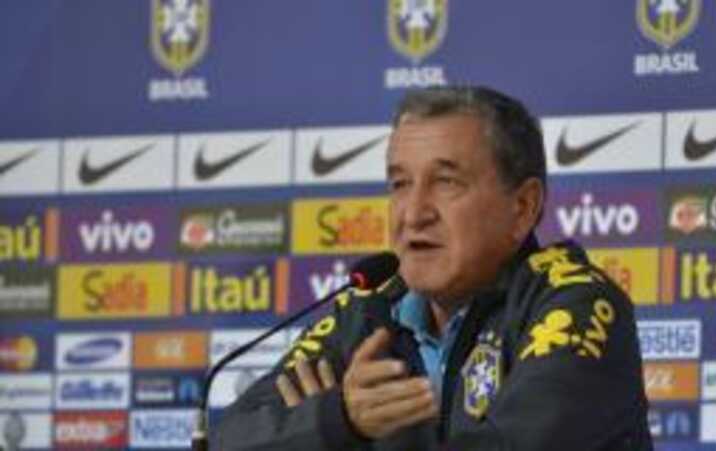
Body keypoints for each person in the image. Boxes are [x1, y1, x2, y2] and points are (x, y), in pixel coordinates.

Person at [214, 86, 653, 450]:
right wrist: (339, 420)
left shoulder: (575, 302)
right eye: (400, 184)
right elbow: (229, 440)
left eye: (446, 182)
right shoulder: (366, 312)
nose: (413, 212)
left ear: (522, 207)